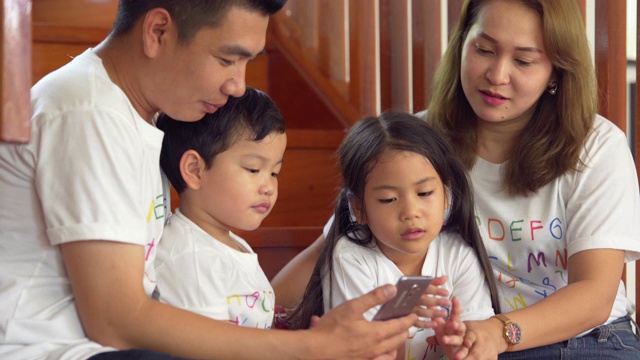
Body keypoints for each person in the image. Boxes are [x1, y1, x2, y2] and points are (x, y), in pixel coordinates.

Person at [0, 1, 419, 359]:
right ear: (158, 31)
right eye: (227, 59)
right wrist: (314, 346)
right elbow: (116, 321)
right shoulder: (87, 112)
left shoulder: (138, 116)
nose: (237, 86)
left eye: (247, 63)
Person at [271, 0, 640, 359]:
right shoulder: (415, 143)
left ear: (556, 72)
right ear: (461, 44)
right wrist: (251, 320)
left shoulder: (595, 147)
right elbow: (326, 257)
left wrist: (497, 332)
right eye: (484, 49)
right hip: (468, 343)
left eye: (523, 61)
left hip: (587, 339)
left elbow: (594, 295)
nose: (496, 76)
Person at [285, 112, 501, 360]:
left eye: (424, 193)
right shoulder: (351, 257)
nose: (410, 213)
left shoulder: (458, 255)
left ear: (446, 195)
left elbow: (478, 339)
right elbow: (358, 351)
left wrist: (460, 346)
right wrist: (398, 315)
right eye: (388, 199)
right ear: (358, 209)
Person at [154, 87, 286, 329]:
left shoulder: (230, 243)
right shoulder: (191, 259)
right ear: (195, 170)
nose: (268, 186)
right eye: (253, 169)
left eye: (274, 172)